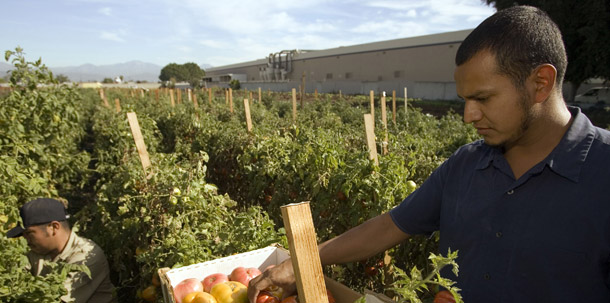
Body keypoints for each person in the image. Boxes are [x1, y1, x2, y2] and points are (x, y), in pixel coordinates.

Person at [248, 5, 610, 303]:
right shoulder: (466, 165)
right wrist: (303, 260)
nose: (469, 115)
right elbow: (390, 225)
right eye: (464, 101)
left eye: (482, 98)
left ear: (540, 83)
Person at [7, 198, 116, 303]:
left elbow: (55, 300)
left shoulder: (86, 256)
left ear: (54, 227)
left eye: (29, 233)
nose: (26, 239)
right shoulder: (39, 251)